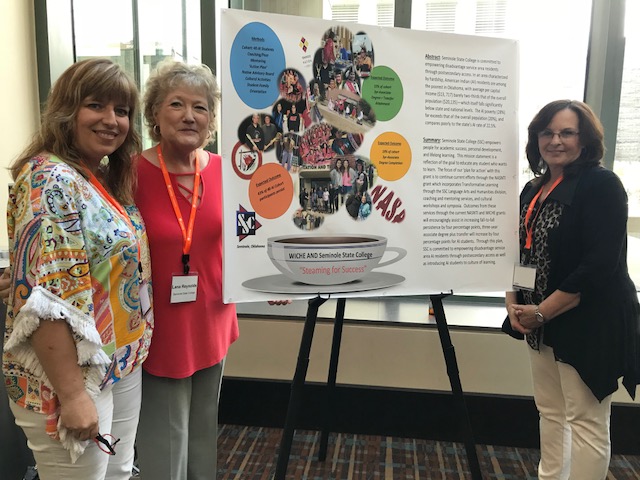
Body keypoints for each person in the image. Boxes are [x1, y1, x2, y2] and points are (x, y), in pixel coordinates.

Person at [2, 58, 153, 480]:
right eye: (95, 106)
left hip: (116, 360)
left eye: (121, 111)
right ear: (67, 111)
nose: (111, 120)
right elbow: (47, 303)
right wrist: (72, 395)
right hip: (70, 377)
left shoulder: (99, 174)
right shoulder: (48, 180)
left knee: (119, 472)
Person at [502, 100, 640, 480]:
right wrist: (513, 300)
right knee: (550, 411)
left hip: (589, 320)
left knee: (586, 421)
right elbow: (522, 250)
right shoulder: (534, 189)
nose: (556, 140)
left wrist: (543, 310)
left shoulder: (602, 185)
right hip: (540, 320)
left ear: (585, 139)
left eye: (566, 132)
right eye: (547, 132)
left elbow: (598, 266)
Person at [133, 59, 238, 480]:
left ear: (211, 119)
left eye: (200, 107)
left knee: (202, 430)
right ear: (155, 114)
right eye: (176, 104)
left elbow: (243, 233)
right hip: (159, 326)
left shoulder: (225, 171)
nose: (189, 115)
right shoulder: (128, 174)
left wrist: (266, 276)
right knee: (165, 437)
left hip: (212, 315)